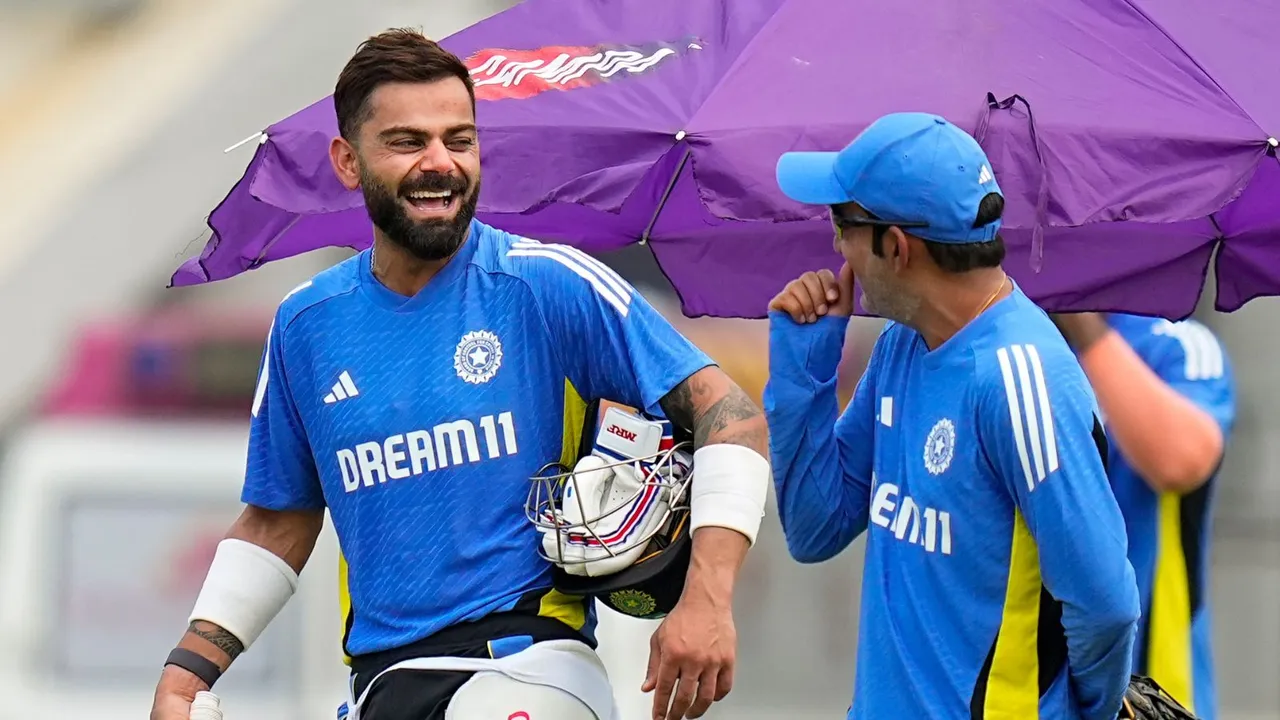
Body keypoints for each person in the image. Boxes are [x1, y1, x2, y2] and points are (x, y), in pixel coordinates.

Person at [148, 29, 771, 720]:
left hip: (532, 664)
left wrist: (707, 601)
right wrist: (187, 673)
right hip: (384, 684)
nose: (440, 163)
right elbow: (278, 517)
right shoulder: (306, 325)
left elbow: (731, 417)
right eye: (409, 142)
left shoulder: (546, 284)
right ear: (347, 162)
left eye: (460, 140)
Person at [762, 112, 1141, 719]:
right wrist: (804, 373)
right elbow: (814, 529)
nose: (835, 245)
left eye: (841, 223)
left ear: (896, 246)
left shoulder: (1023, 378)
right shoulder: (901, 345)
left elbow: (1106, 604)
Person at [1052, 312, 1236, 719]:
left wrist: (1083, 324)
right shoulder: (999, 341)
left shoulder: (1176, 342)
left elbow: (1182, 459)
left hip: (1152, 685)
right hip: (1023, 679)